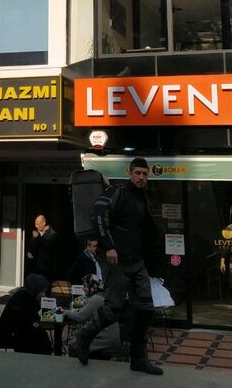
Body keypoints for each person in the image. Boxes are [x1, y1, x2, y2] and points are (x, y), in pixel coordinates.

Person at [68, 156, 164, 376]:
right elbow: (98, 216)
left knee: (146, 309)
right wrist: (109, 246)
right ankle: (83, 339)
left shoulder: (143, 199)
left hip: (137, 261)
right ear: (129, 172)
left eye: (145, 174)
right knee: (113, 308)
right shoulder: (116, 192)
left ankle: (138, 359)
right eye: (137, 173)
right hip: (116, 261)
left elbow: (147, 232)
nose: (141, 177)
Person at [63, 274, 122, 358]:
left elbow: (80, 317)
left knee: (74, 346)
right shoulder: (104, 296)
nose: (83, 289)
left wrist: (64, 312)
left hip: (104, 341)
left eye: (85, 286)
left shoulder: (97, 299)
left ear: (92, 288)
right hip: (110, 339)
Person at [0, 273, 53, 355]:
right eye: (42, 292)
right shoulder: (22, 298)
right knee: (38, 338)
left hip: (14, 333)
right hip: (7, 335)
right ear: (36, 289)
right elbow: (23, 321)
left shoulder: (26, 296)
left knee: (40, 336)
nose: (43, 295)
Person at [27, 214, 58, 283]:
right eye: (35, 224)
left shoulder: (52, 233)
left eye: (38, 224)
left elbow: (48, 244)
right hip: (35, 266)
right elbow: (31, 245)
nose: (36, 226)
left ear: (44, 223)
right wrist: (29, 252)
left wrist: (38, 237)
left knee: (45, 285)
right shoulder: (37, 233)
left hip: (46, 268)